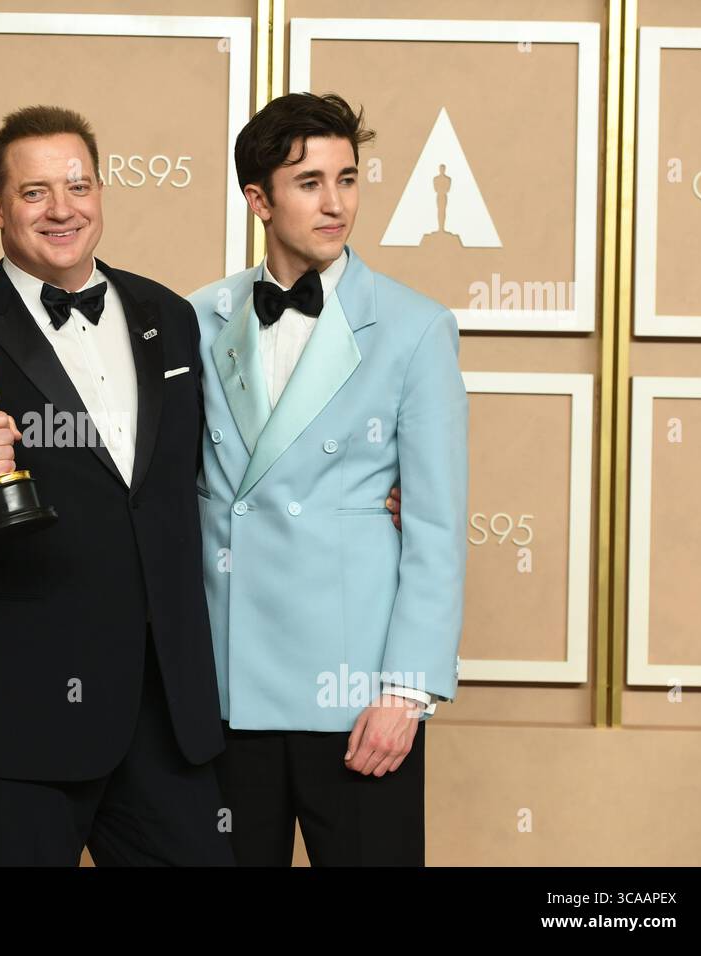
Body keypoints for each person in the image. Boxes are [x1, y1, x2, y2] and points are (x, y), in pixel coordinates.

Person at [0, 106, 234, 865]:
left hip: (167, 715)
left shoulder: (169, 315)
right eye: (35, 193)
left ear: (101, 191)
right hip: (20, 724)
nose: (62, 209)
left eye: (78, 185)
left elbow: (202, 476)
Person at [187, 92, 468, 866]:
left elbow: (438, 530)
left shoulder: (415, 328)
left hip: (358, 704)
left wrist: (407, 694)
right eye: (309, 182)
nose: (336, 202)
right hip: (224, 696)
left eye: (347, 178)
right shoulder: (196, 318)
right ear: (258, 199)